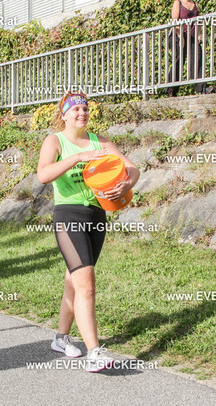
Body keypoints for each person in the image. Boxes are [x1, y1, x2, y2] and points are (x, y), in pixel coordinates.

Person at [37, 92, 140, 372]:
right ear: (64, 115)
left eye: (85, 109)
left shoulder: (101, 142)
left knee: (74, 280)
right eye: (75, 109)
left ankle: (61, 338)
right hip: (68, 216)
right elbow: (43, 175)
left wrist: (127, 183)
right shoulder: (55, 141)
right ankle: (94, 352)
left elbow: (132, 168)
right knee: (87, 285)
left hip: (97, 215)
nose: (81, 113)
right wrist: (78, 157)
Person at [166, 0, 213, 96]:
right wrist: (180, 36)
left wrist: (199, 34)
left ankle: (203, 88)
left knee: (197, 59)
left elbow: (198, 21)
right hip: (178, 35)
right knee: (179, 60)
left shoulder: (195, 4)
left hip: (191, 36)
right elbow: (174, 22)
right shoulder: (178, 2)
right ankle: (171, 89)